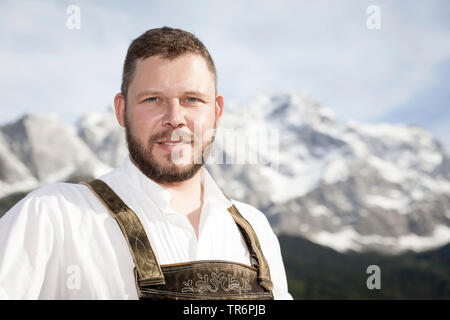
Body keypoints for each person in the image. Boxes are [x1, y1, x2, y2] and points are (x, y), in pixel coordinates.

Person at [0, 27, 292, 300]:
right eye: (153, 99)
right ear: (122, 109)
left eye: (191, 99)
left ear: (216, 112)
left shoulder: (255, 228)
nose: (175, 117)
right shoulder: (51, 215)